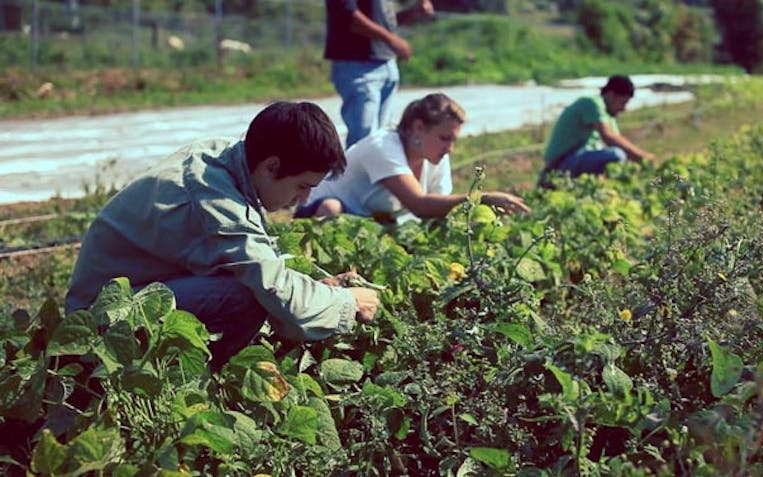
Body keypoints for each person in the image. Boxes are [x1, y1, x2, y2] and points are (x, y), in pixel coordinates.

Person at [65, 101, 381, 369]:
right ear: (272, 167)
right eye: (303, 186)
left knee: (257, 290)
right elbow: (277, 293)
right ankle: (195, 388)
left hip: (134, 293)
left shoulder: (226, 157)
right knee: (245, 299)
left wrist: (316, 290)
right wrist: (345, 303)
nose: (304, 201)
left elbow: (257, 266)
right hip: (101, 323)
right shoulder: (218, 202)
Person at [295, 92, 530, 223]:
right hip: (319, 212)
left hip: (369, 222)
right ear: (418, 127)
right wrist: (483, 199)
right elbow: (420, 205)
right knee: (331, 208)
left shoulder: (435, 155)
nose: (450, 148)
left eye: (453, 140)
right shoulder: (383, 147)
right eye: (444, 138)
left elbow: (440, 209)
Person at [325, 0, 435, 148]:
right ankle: (354, 172)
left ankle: (376, 171)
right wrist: (391, 40)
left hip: (386, 63)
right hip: (358, 66)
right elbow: (348, 17)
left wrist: (412, 12)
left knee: (382, 140)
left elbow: (383, 22)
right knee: (364, 141)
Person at [539, 75, 657, 185]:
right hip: (559, 164)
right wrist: (642, 157)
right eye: (623, 102)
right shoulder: (591, 103)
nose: (623, 109)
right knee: (616, 155)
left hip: (576, 161)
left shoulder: (608, 115)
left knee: (621, 158)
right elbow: (609, 137)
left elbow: (617, 141)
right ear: (611, 95)